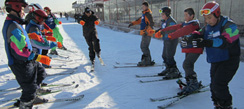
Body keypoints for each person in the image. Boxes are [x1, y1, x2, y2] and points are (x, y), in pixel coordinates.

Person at [188, 1, 240, 109]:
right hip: (216, 60)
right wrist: (193, 36)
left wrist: (207, 42)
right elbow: (200, 32)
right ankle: (217, 104)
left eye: (209, 17)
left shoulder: (230, 25)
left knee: (219, 84)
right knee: (213, 86)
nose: (207, 21)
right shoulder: (208, 26)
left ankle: (226, 106)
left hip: (229, 60)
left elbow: (225, 41)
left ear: (217, 14)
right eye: (205, 18)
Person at [2, 0, 51, 108]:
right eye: (23, 9)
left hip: (27, 60)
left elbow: (19, 41)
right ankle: (26, 103)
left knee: (41, 72)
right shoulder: (14, 27)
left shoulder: (14, 24)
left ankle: (34, 93)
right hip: (21, 63)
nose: (24, 13)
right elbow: (19, 50)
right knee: (29, 88)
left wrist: (30, 36)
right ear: (17, 8)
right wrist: (37, 56)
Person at [155, 8, 203, 93]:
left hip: (195, 48)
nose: (184, 17)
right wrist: (163, 30)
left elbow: (182, 31)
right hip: (189, 48)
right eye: (184, 15)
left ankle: (194, 83)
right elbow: (175, 27)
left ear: (192, 16)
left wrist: (171, 36)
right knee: (189, 65)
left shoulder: (194, 24)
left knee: (186, 64)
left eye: (186, 15)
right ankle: (190, 82)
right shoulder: (185, 23)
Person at [154, 7, 181, 79]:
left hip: (171, 41)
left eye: (163, 14)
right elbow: (163, 28)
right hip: (166, 40)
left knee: (169, 56)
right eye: (161, 14)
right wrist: (157, 31)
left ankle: (174, 71)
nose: (162, 15)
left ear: (167, 14)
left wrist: (161, 32)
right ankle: (168, 68)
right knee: (164, 56)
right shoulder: (164, 21)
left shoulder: (171, 22)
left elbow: (171, 31)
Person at [128, 2, 155, 66]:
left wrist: (147, 31)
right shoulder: (144, 14)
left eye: (143, 6)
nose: (142, 8)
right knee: (144, 46)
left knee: (144, 46)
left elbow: (151, 24)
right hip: (144, 33)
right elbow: (139, 20)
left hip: (147, 33)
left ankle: (147, 61)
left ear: (146, 7)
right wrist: (132, 23)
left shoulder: (148, 14)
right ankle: (147, 59)